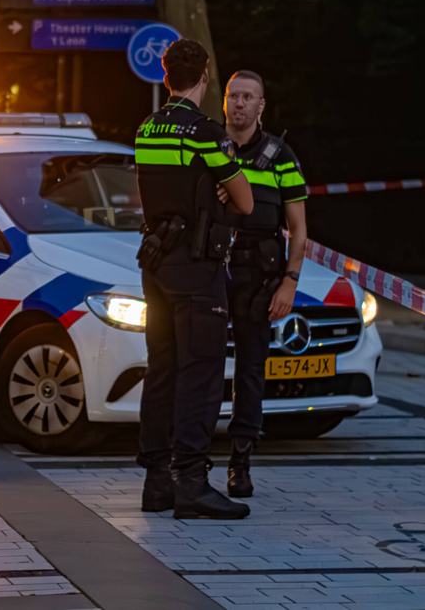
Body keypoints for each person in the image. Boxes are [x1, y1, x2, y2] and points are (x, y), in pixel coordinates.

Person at [134, 39, 255, 520]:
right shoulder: (204, 131)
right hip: (196, 266)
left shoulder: (146, 128)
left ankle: (156, 481)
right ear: (204, 78)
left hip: (156, 263)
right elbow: (244, 201)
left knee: (160, 370)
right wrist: (220, 189)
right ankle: (192, 482)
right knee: (200, 372)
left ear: (165, 78)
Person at [219, 70, 308, 498]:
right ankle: (192, 458)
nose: (239, 104)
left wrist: (289, 283)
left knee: (251, 370)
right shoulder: (207, 148)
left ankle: (240, 461)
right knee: (201, 366)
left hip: (259, 276)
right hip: (212, 271)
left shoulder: (280, 156)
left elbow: (298, 229)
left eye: (247, 97)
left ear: (260, 107)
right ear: (223, 102)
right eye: (233, 96)